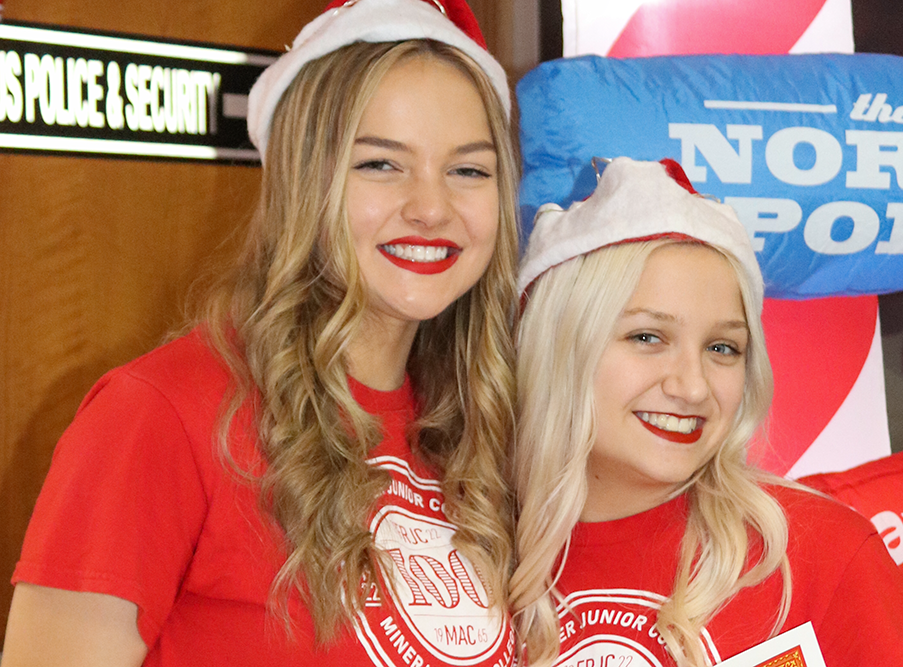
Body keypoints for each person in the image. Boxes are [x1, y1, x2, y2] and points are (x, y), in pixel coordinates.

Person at [2, 1, 519, 665]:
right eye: (379, 164)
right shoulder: (158, 414)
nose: (430, 206)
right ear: (302, 182)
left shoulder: (486, 429)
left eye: (469, 170)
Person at [509, 157, 903, 667]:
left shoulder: (822, 555)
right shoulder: (459, 551)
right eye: (647, 337)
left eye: (722, 348)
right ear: (556, 346)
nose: (692, 387)